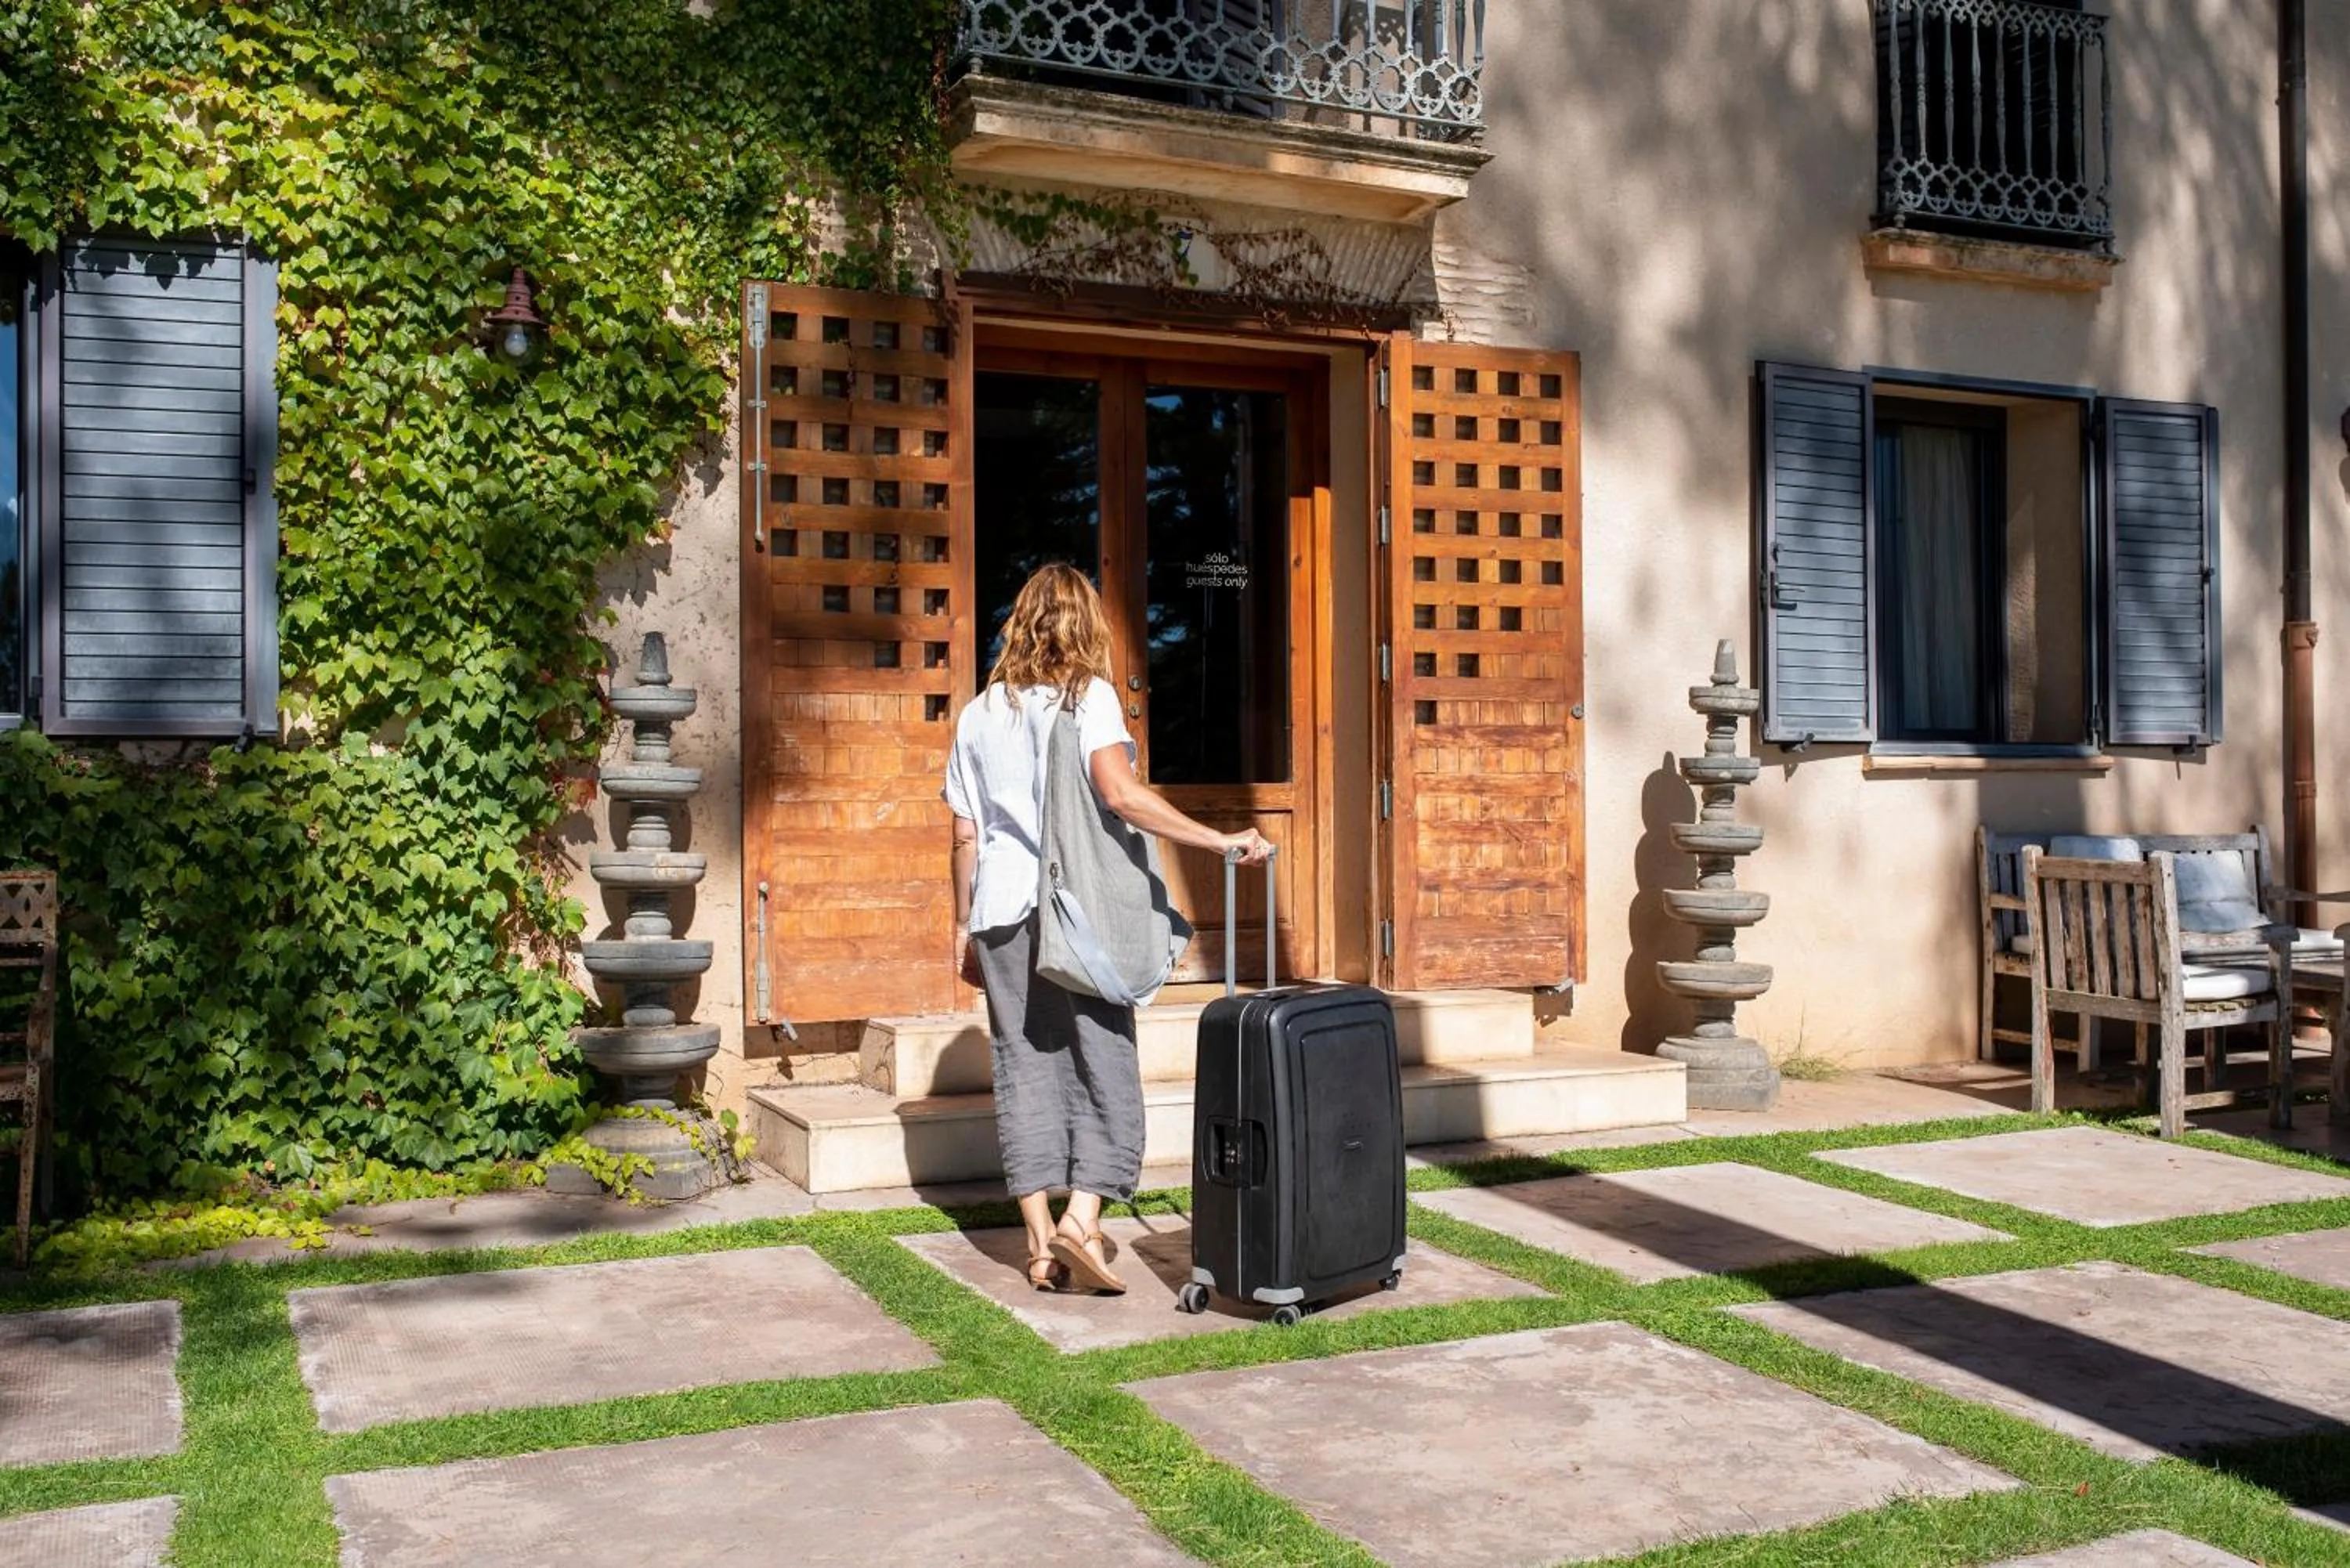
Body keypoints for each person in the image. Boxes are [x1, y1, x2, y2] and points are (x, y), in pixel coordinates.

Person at [945, 564, 1273, 1295]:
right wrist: (1218, 842)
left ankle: (1038, 1249)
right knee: (1106, 1063)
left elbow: (966, 837)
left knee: (1021, 1068)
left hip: (999, 914)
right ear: (1087, 624)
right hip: (1074, 911)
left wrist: (962, 929)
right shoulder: (1087, 697)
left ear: (1021, 621)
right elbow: (1120, 795)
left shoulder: (977, 714)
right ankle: (1082, 1220)